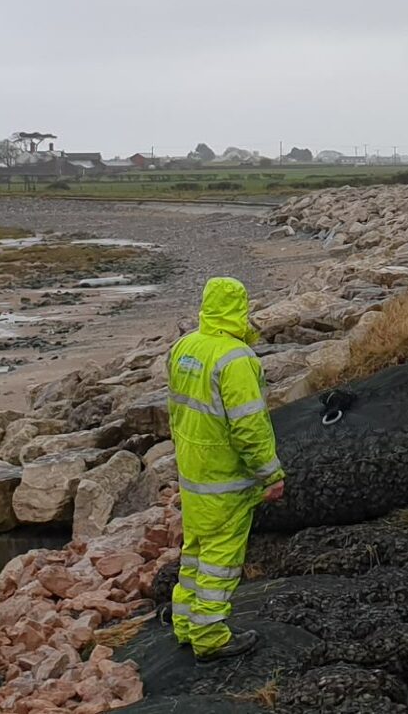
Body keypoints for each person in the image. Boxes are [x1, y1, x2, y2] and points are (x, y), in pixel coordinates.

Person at [166, 277, 287, 659]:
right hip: (226, 479)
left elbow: (176, 411)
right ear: (240, 308)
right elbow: (250, 424)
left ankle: (185, 623)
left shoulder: (185, 347)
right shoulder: (236, 359)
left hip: (192, 472)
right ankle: (210, 635)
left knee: (194, 552)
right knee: (221, 558)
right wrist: (271, 473)